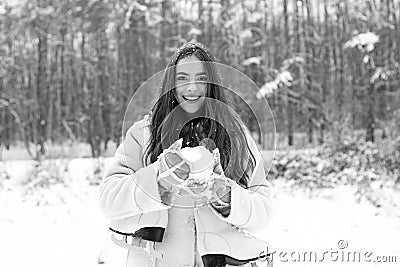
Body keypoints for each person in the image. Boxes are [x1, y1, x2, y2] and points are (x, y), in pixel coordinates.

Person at [98, 42, 273, 267]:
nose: (192, 88)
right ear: (171, 84)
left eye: (201, 79)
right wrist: (156, 182)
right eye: (182, 78)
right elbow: (108, 200)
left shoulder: (236, 137)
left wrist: (227, 196)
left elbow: (264, 212)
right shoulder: (143, 134)